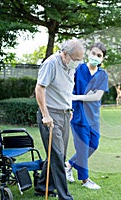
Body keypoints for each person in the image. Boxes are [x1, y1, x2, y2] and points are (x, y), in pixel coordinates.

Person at [34, 38, 85, 199]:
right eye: (76, 60)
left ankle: (42, 187)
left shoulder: (70, 66)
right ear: (65, 54)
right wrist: (46, 115)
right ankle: (65, 196)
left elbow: (66, 89)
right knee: (57, 156)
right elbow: (40, 88)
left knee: (58, 154)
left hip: (64, 113)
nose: (77, 63)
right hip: (51, 115)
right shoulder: (51, 63)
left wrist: (68, 108)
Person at [65, 42, 108, 190]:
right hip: (78, 115)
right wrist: (70, 106)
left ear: (102, 59)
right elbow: (68, 87)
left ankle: (69, 164)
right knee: (83, 148)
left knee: (93, 145)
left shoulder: (102, 75)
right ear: (89, 53)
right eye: (94, 53)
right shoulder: (78, 69)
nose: (95, 57)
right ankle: (85, 180)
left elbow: (97, 97)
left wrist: (77, 97)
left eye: (99, 56)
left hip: (93, 117)